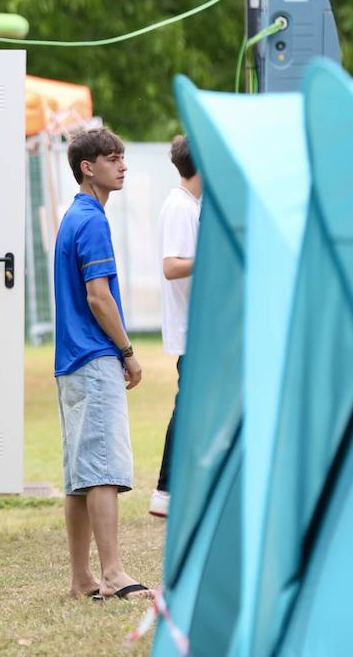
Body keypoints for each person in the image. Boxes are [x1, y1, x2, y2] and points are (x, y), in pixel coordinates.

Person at [52, 127, 150, 600]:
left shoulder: (72, 216)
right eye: (113, 158)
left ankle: (81, 579)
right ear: (87, 167)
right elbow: (99, 297)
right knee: (104, 470)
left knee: (79, 477)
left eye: (123, 157)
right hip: (94, 358)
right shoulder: (92, 221)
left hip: (69, 362)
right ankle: (112, 574)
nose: (123, 165)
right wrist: (127, 352)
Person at [150, 135, 201, 518]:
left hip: (197, 326)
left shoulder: (188, 205)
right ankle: (166, 489)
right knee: (189, 405)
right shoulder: (180, 207)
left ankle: (179, 488)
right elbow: (172, 266)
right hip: (192, 329)